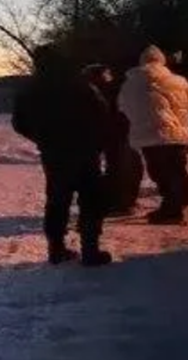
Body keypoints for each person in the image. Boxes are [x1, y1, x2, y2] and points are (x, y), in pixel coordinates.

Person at [12, 45, 113, 266]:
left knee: (57, 200)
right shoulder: (80, 85)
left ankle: (56, 249)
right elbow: (102, 113)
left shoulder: (30, 89)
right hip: (85, 149)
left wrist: (42, 138)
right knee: (91, 198)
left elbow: (19, 123)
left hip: (54, 153)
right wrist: (96, 139)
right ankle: (90, 249)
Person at [117, 45, 188, 224]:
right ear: (162, 61)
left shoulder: (131, 83)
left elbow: (122, 106)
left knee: (160, 172)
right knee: (177, 169)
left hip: (148, 135)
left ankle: (171, 210)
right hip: (176, 134)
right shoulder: (178, 81)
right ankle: (178, 203)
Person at [83, 64, 143, 216]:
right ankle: (124, 201)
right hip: (122, 132)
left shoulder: (95, 92)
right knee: (127, 165)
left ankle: (120, 202)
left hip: (114, 133)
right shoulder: (116, 89)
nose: (109, 76)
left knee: (120, 166)